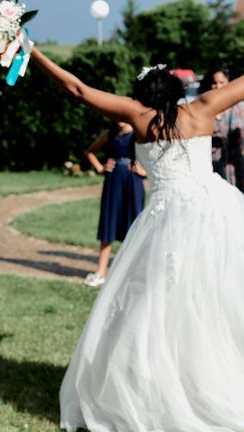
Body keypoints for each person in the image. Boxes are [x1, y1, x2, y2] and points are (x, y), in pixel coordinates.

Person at [28, 47, 244, 430]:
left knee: (156, 309)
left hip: (168, 219)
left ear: (142, 96)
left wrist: (32, 52)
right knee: (215, 301)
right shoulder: (204, 107)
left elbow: (77, 90)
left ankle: (161, 389)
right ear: (178, 91)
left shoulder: (137, 116)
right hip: (218, 214)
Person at [83, 121, 146, 287]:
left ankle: (132, 273)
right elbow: (90, 152)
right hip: (113, 182)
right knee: (108, 223)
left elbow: (156, 154)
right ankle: (101, 272)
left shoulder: (138, 133)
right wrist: (100, 167)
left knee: (134, 225)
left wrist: (144, 171)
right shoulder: (110, 134)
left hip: (133, 183)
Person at [202, 68, 244, 191]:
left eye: (221, 82)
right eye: (214, 83)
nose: (217, 86)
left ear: (228, 83)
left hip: (236, 166)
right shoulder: (204, 110)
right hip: (213, 167)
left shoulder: (240, 108)